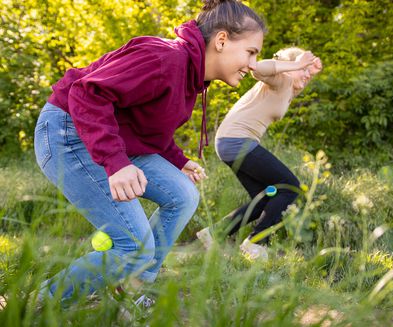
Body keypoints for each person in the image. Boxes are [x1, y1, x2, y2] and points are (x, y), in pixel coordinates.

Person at [34, 0, 265, 302]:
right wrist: (116, 164)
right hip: (67, 132)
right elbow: (87, 93)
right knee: (133, 247)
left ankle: (130, 288)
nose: (252, 64)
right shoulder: (163, 58)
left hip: (103, 134)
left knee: (183, 195)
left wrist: (177, 160)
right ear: (222, 40)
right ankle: (27, 307)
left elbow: (143, 126)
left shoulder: (190, 78)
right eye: (251, 52)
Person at [196, 47, 322, 259]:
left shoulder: (288, 88)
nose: (307, 75)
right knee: (290, 188)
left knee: (265, 196)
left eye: (309, 72)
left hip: (232, 143)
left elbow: (293, 83)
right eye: (303, 70)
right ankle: (255, 243)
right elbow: (256, 68)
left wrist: (307, 69)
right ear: (290, 67)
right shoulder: (281, 79)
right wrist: (297, 64)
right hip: (237, 141)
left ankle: (214, 234)